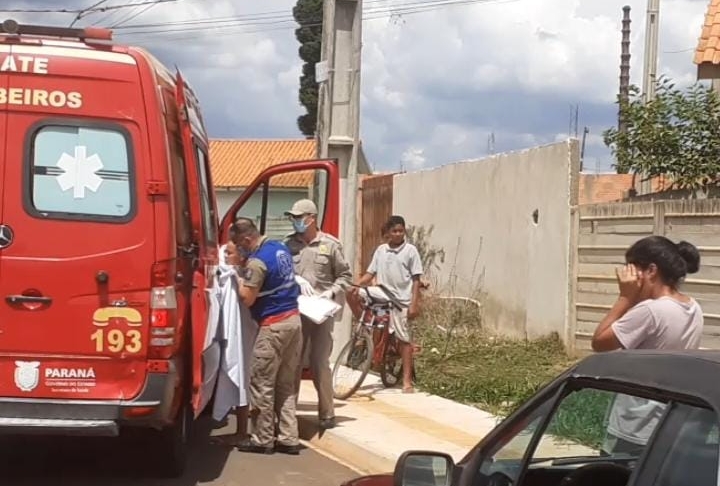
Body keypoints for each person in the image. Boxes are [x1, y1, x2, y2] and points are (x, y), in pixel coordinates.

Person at [591, 235, 703, 454]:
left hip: (635, 426)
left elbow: (599, 342)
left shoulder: (650, 311)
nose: (628, 278)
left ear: (651, 270)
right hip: (672, 421)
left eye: (632, 270)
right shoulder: (693, 307)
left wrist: (625, 298)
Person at [225, 218, 302, 455]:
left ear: (247, 239)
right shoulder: (279, 248)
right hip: (294, 322)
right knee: (285, 385)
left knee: (262, 384)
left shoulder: (257, 263)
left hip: (273, 327)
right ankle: (289, 438)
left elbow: (247, 298)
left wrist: (236, 277)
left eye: (239, 244)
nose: (238, 249)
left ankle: (262, 439)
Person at [284, 199, 352, 430]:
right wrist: (294, 279)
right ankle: (288, 413)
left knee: (319, 363)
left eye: (299, 217)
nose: (295, 222)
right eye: (293, 218)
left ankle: (327, 413)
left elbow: (345, 275)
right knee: (292, 363)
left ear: (311, 218)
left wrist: (332, 292)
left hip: (322, 313)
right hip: (297, 311)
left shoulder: (331, 245)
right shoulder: (289, 245)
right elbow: (282, 273)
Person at [352, 215, 423, 393]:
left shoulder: (410, 251)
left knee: (404, 340)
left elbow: (416, 280)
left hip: (401, 300)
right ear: (388, 233)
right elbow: (370, 273)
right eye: (394, 231)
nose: (398, 234)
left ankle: (407, 381)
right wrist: (357, 285)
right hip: (382, 292)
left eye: (401, 230)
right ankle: (364, 323)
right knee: (349, 292)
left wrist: (414, 304)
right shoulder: (381, 250)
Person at [210, 232, 258, 447]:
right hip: (227, 334)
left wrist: (237, 279)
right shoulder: (224, 273)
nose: (225, 256)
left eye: (229, 252)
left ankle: (245, 432)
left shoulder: (247, 274)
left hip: (246, 332)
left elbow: (247, 298)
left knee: (244, 377)